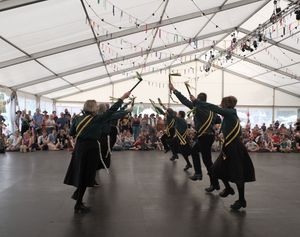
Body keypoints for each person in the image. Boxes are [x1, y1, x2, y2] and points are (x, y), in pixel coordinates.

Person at [64, 91, 130, 214]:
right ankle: (78, 203)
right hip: (91, 148)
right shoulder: (97, 119)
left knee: (81, 173)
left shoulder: (78, 118)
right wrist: (122, 98)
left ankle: (78, 198)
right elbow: (112, 111)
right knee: (86, 175)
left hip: (79, 148)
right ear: (94, 108)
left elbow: (72, 133)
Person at [190, 95, 255, 210]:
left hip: (235, 147)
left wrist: (196, 102)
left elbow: (213, 107)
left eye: (222, 102)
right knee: (216, 169)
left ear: (226, 104)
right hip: (229, 146)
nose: (220, 104)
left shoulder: (229, 113)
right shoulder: (230, 115)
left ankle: (241, 200)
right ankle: (229, 189)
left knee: (238, 174)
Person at [170, 83, 221, 192]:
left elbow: (184, 100)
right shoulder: (212, 110)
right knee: (194, 151)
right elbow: (218, 121)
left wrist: (174, 90)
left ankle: (213, 182)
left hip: (204, 137)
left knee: (207, 161)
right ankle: (201, 175)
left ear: (198, 100)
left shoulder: (198, 108)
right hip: (208, 136)